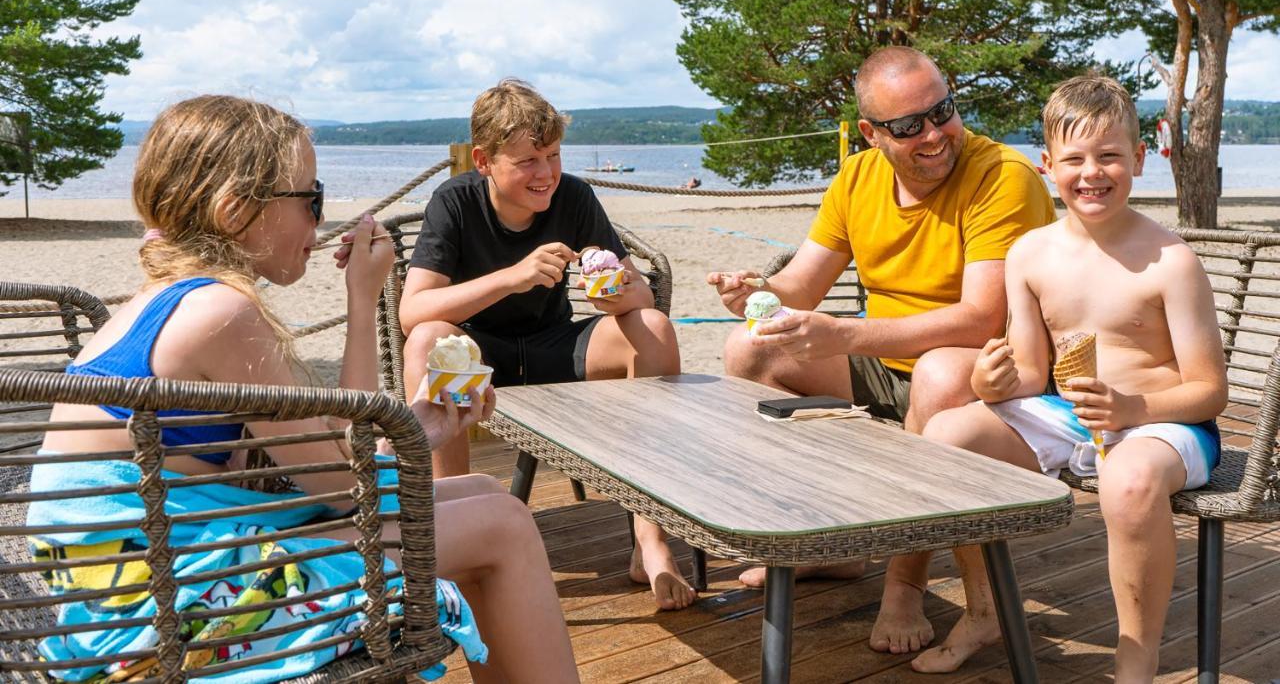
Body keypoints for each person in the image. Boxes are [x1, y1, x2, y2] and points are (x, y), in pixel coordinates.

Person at [32, 96, 578, 683]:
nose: (320, 220)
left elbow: (332, 465)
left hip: (144, 578)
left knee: (482, 493)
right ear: (236, 209)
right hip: (160, 609)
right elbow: (344, 487)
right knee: (503, 526)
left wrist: (413, 419)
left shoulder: (170, 297)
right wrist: (364, 301)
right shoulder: (220, 312)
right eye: (310, 198)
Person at [708, 46, 1056, 650]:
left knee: (942, 375)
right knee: (750, 349)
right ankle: (824, 539)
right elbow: (801, 286)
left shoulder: (1003, 176)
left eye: (942, 110)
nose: (935, 134)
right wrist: (756, 292)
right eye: (909, 126)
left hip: (991, 376)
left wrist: (845, 334)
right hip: (886, 367)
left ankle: (904, 584)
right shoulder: (858, 177)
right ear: (871, 135)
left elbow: (982, 320)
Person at [906, 76, 1226, 680]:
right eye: (1074, 159)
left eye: (1109, 156)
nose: (1092, 173)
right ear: (1048, 165)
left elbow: (1210, 391)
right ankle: (984, 610)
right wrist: (991, 382)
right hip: (1068, 414)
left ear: (1138, 158)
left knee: (1129, 480)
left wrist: (1132, 408)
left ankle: (1136, 654)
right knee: (947, 435)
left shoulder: (1170, 261)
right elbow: (1030, 372)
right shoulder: (1030, 254)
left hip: (1163, 422)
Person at [398, 79, 693, 611]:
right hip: (482, 354)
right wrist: (511, 277)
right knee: (429, 340)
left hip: (555, 347)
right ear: (484, 160)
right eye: (529, 161)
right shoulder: (456, 201)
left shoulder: (573, 195)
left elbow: (642, 294)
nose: (547, 174)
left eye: (553, 156)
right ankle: (458, 531)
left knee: (653, 326)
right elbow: (412, 311)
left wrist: (615, 294)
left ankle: (649, 538)